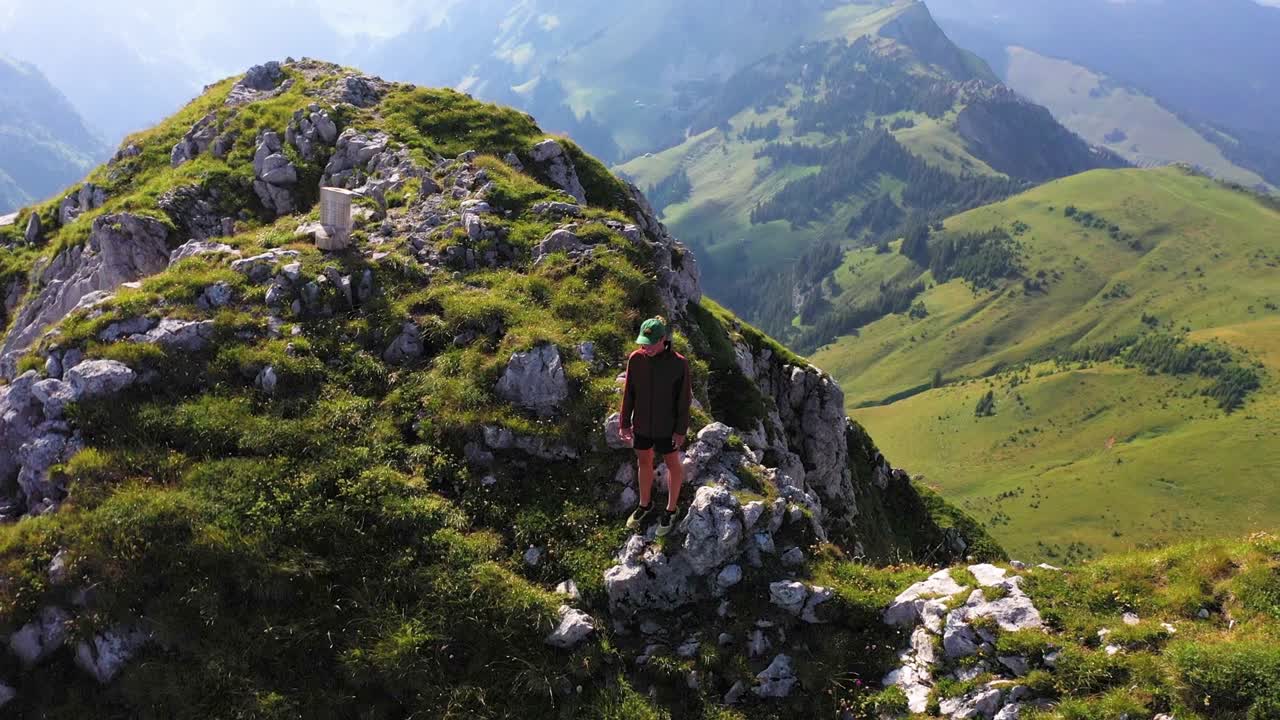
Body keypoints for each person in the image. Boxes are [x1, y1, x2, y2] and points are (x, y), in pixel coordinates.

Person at [618, 315, 693, 537]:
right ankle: (644, 504)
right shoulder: (636, 359)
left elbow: (684, 400)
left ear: (663, 340)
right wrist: (624, 423)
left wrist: (680, 430)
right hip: (641, 423)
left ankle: (671, 509)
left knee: (672, 463)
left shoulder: (679, 364)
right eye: (643, 343)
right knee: (644, 461)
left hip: (667, 427)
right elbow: (629, 392)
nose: (645, 348)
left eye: (650, 345)